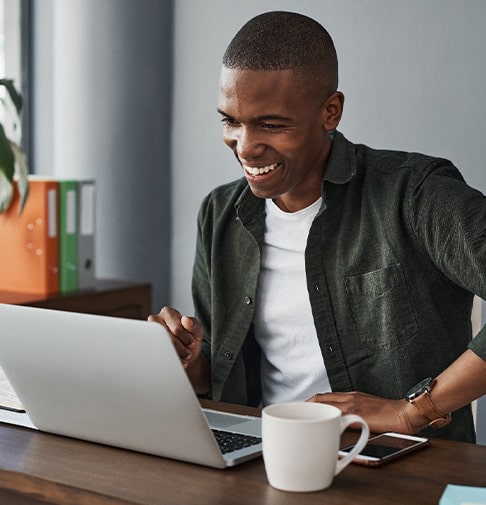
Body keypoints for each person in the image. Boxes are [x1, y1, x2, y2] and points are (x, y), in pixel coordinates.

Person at [149, 11, 486, 442]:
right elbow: (221, 371)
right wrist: (187, 360)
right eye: (231, 121)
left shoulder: (414, 195)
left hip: (397, 464)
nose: (246, 147)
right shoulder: (220, 213)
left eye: (271, 124)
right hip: (266, 454)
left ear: (331, 111)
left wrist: (411, 412)